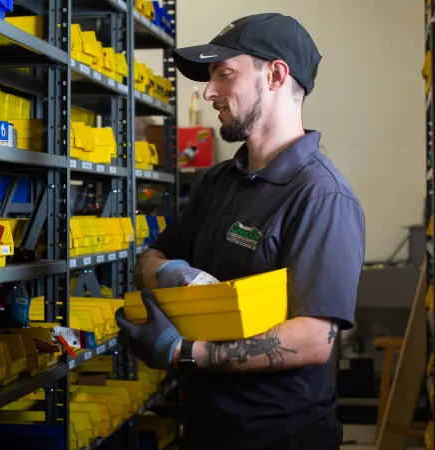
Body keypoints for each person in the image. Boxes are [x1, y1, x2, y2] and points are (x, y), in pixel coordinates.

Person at [115, 13, 366, 450]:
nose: (209, 92)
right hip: (206, 427)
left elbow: (312, 340)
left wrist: (185, 353)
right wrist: (173, 271)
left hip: (279, 435)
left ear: (276, 75)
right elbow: (148, 261)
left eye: (224, 74)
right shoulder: (217, 182)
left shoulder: (322, 196)